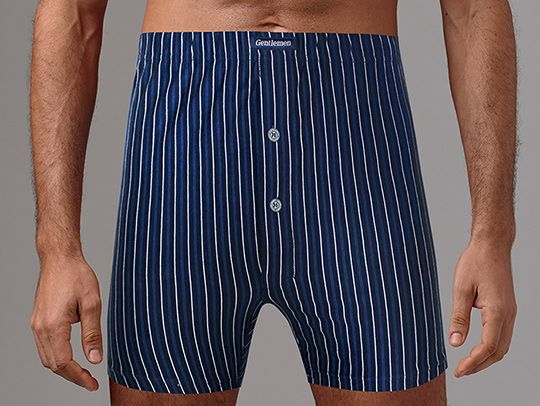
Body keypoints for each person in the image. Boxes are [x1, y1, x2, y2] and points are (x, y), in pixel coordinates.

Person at [28, 0, 518, 405]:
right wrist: (57, 249)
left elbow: (473, 10)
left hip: (354, 143)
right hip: (187, 144)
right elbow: (72, 12)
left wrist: (493, 235)